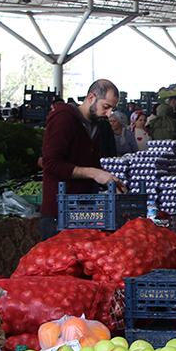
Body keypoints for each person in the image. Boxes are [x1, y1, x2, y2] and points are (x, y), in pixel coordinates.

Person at [39, 80, 125, 241]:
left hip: (82, 210)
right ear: (91, 98)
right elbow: (51, 164)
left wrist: (108, 181)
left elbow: (90, 164)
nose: (108, 114)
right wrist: (93, 173)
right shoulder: (63, 118)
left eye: (112, 109)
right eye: (106, 107)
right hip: (58, 213)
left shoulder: (96, 125)